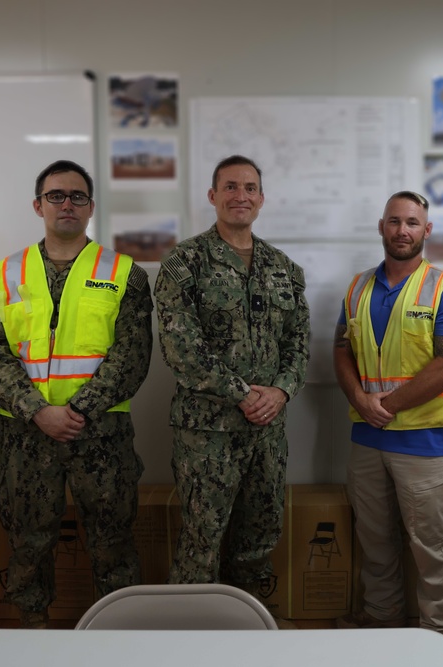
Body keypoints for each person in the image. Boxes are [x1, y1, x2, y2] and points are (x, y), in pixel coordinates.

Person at [0, 160, 152, 628]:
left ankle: (117, 639)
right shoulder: (1, 275)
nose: (67, 204)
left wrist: (75, 411)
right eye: (56, 196)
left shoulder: (124, 273)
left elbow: (132, 357)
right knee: (28, 545)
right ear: (38, 205)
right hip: (24, 438)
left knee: (113, 543)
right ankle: (35, 636)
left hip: (102, 436)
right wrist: (39, 411)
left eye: (77, 196)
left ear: (91, 207)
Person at [153, 155, 310, 596]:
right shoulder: (184, 262)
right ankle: (193, 643)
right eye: (230, 187)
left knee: (259, 540)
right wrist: (243, 395)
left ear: (261, 199)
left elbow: (299, 341)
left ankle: (253, 637)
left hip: (267, 432)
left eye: (250, 187)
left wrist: (280, 391)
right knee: (201, 541)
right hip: (207, 432)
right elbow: (181, 349)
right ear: (212, 196)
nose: (241, 195)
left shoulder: (283, 268)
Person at [333, 190, 443, 637]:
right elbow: (341, 352)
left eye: (412, 223)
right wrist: (360, 400)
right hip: (367, 440)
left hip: (424, 442)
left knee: (430, 547)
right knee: (374, 543)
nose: (402, 230)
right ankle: (382, 615)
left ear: (426, 231)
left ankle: (440, 629)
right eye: (394, 221)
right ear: (381, 226)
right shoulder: (357, 287)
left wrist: (384, 406)